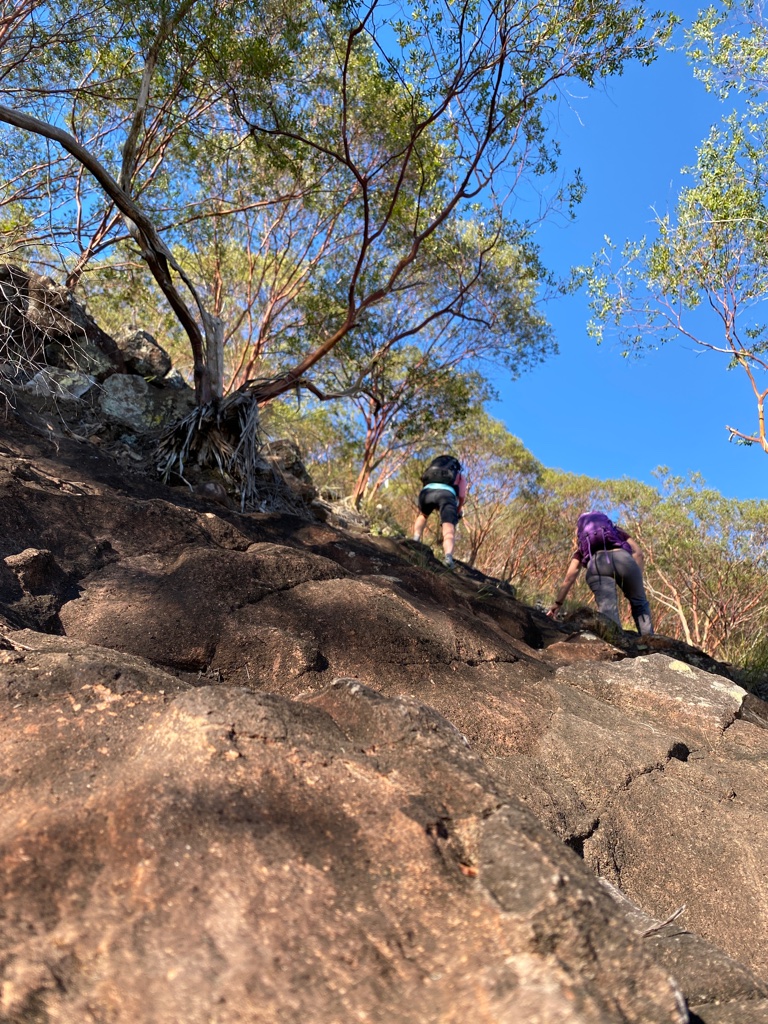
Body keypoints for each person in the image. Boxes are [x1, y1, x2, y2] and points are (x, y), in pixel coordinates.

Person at [547, 511, 653, 635]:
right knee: (639, 603)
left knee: (608, 609)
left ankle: (617, 644)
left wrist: (558, 603)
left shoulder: (583, 545)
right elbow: (638, 553)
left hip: (597, 564)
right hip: (624, 560)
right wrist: (637, 581)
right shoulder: (617, 532)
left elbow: (570, 577)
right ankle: (649, 642)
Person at [413, 455, 468, 568]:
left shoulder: (433, 470)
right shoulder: (460, 476)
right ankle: (448, 558)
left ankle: (415, 540)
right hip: (446, 495)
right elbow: (461, 496)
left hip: (426, 492)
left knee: (423, 515)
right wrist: (457, 510)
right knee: (448, 524)